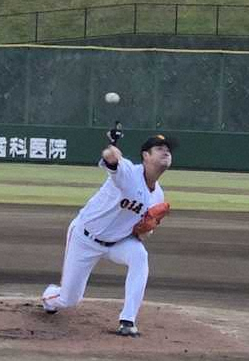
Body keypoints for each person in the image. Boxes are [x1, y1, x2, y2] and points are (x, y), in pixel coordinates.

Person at [41, 133, 176, 337]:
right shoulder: (129, 173)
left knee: (140, 256)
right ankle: (49, 297)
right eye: (159, 148)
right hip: (85, 238)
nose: (165, 151)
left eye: (167, 149)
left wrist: (146, 230)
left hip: (117, 243)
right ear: (145, 156)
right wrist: (112, 149)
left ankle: (128, 319)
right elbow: (110, 159)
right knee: (68, 300)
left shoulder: (158, 195)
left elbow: (144, 232)